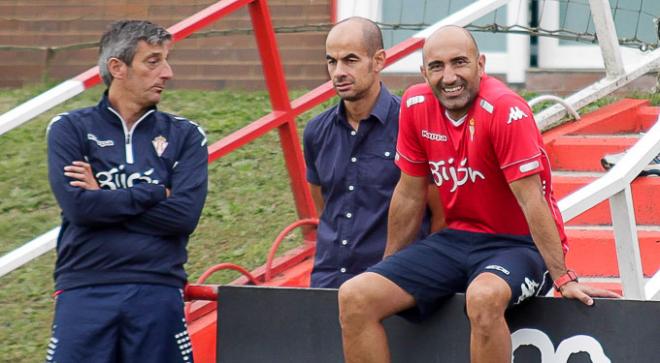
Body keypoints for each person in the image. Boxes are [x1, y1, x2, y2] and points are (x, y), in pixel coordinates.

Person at [337, 26, 619, 363]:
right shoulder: (414, 104)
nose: (449, 76)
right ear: (424, 72)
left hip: (518, 245)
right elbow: (410, 194)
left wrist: (563, 276)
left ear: (481, 65)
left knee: (483, 297)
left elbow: (533, 201)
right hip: (456, 240)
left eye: (460, 63)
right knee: (355, 296)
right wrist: (389, 268)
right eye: (437, 66)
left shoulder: (505, 109)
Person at [45, 20, 207, 363]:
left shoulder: (186, 135)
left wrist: (102, 195)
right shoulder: (69, 129)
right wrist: (152, 193)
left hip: (157, 290)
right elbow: (79, 209)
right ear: (117, 67)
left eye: (165, 60)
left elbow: (183, 216)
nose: (167, 72)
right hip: (84, 291)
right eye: (153, 61)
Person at [303, 17, 441, 288]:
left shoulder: (412, 124)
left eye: (350, 60)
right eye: (332, 61)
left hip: (394, 283)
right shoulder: (316, 132)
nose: (338, 72)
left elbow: (440, 213)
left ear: (378, 61)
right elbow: (324, 207)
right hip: (328, 278)